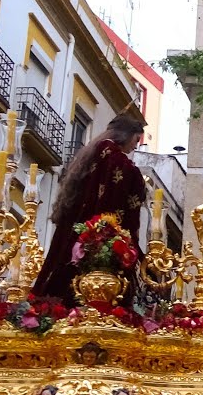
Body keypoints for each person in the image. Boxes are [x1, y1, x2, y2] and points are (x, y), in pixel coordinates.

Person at [33, 114, 148, 305]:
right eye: (136, 140)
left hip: (74, 236)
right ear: (126, 135)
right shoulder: (115, 159)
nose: (135, 146)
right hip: (97, 241)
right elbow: (118, 198)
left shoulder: (94, 154)